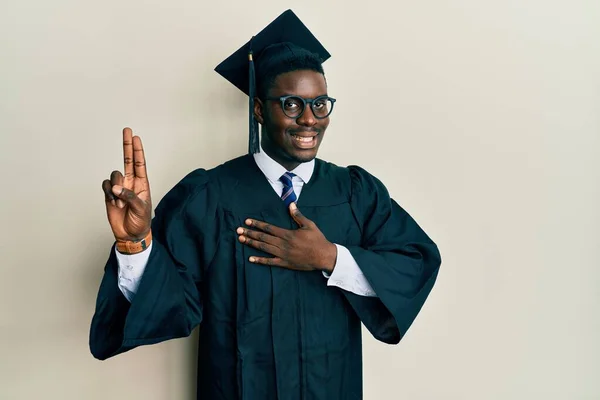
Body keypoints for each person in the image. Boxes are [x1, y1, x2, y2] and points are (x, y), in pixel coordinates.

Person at [90, 9, 442, 400]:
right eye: (291, 104)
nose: (309, 119)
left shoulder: (356, 192)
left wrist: (330, 257)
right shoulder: (211, 195)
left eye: (320, 104)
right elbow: (173, 301)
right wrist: (136, 244)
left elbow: (414, 261)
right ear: (259, 110)